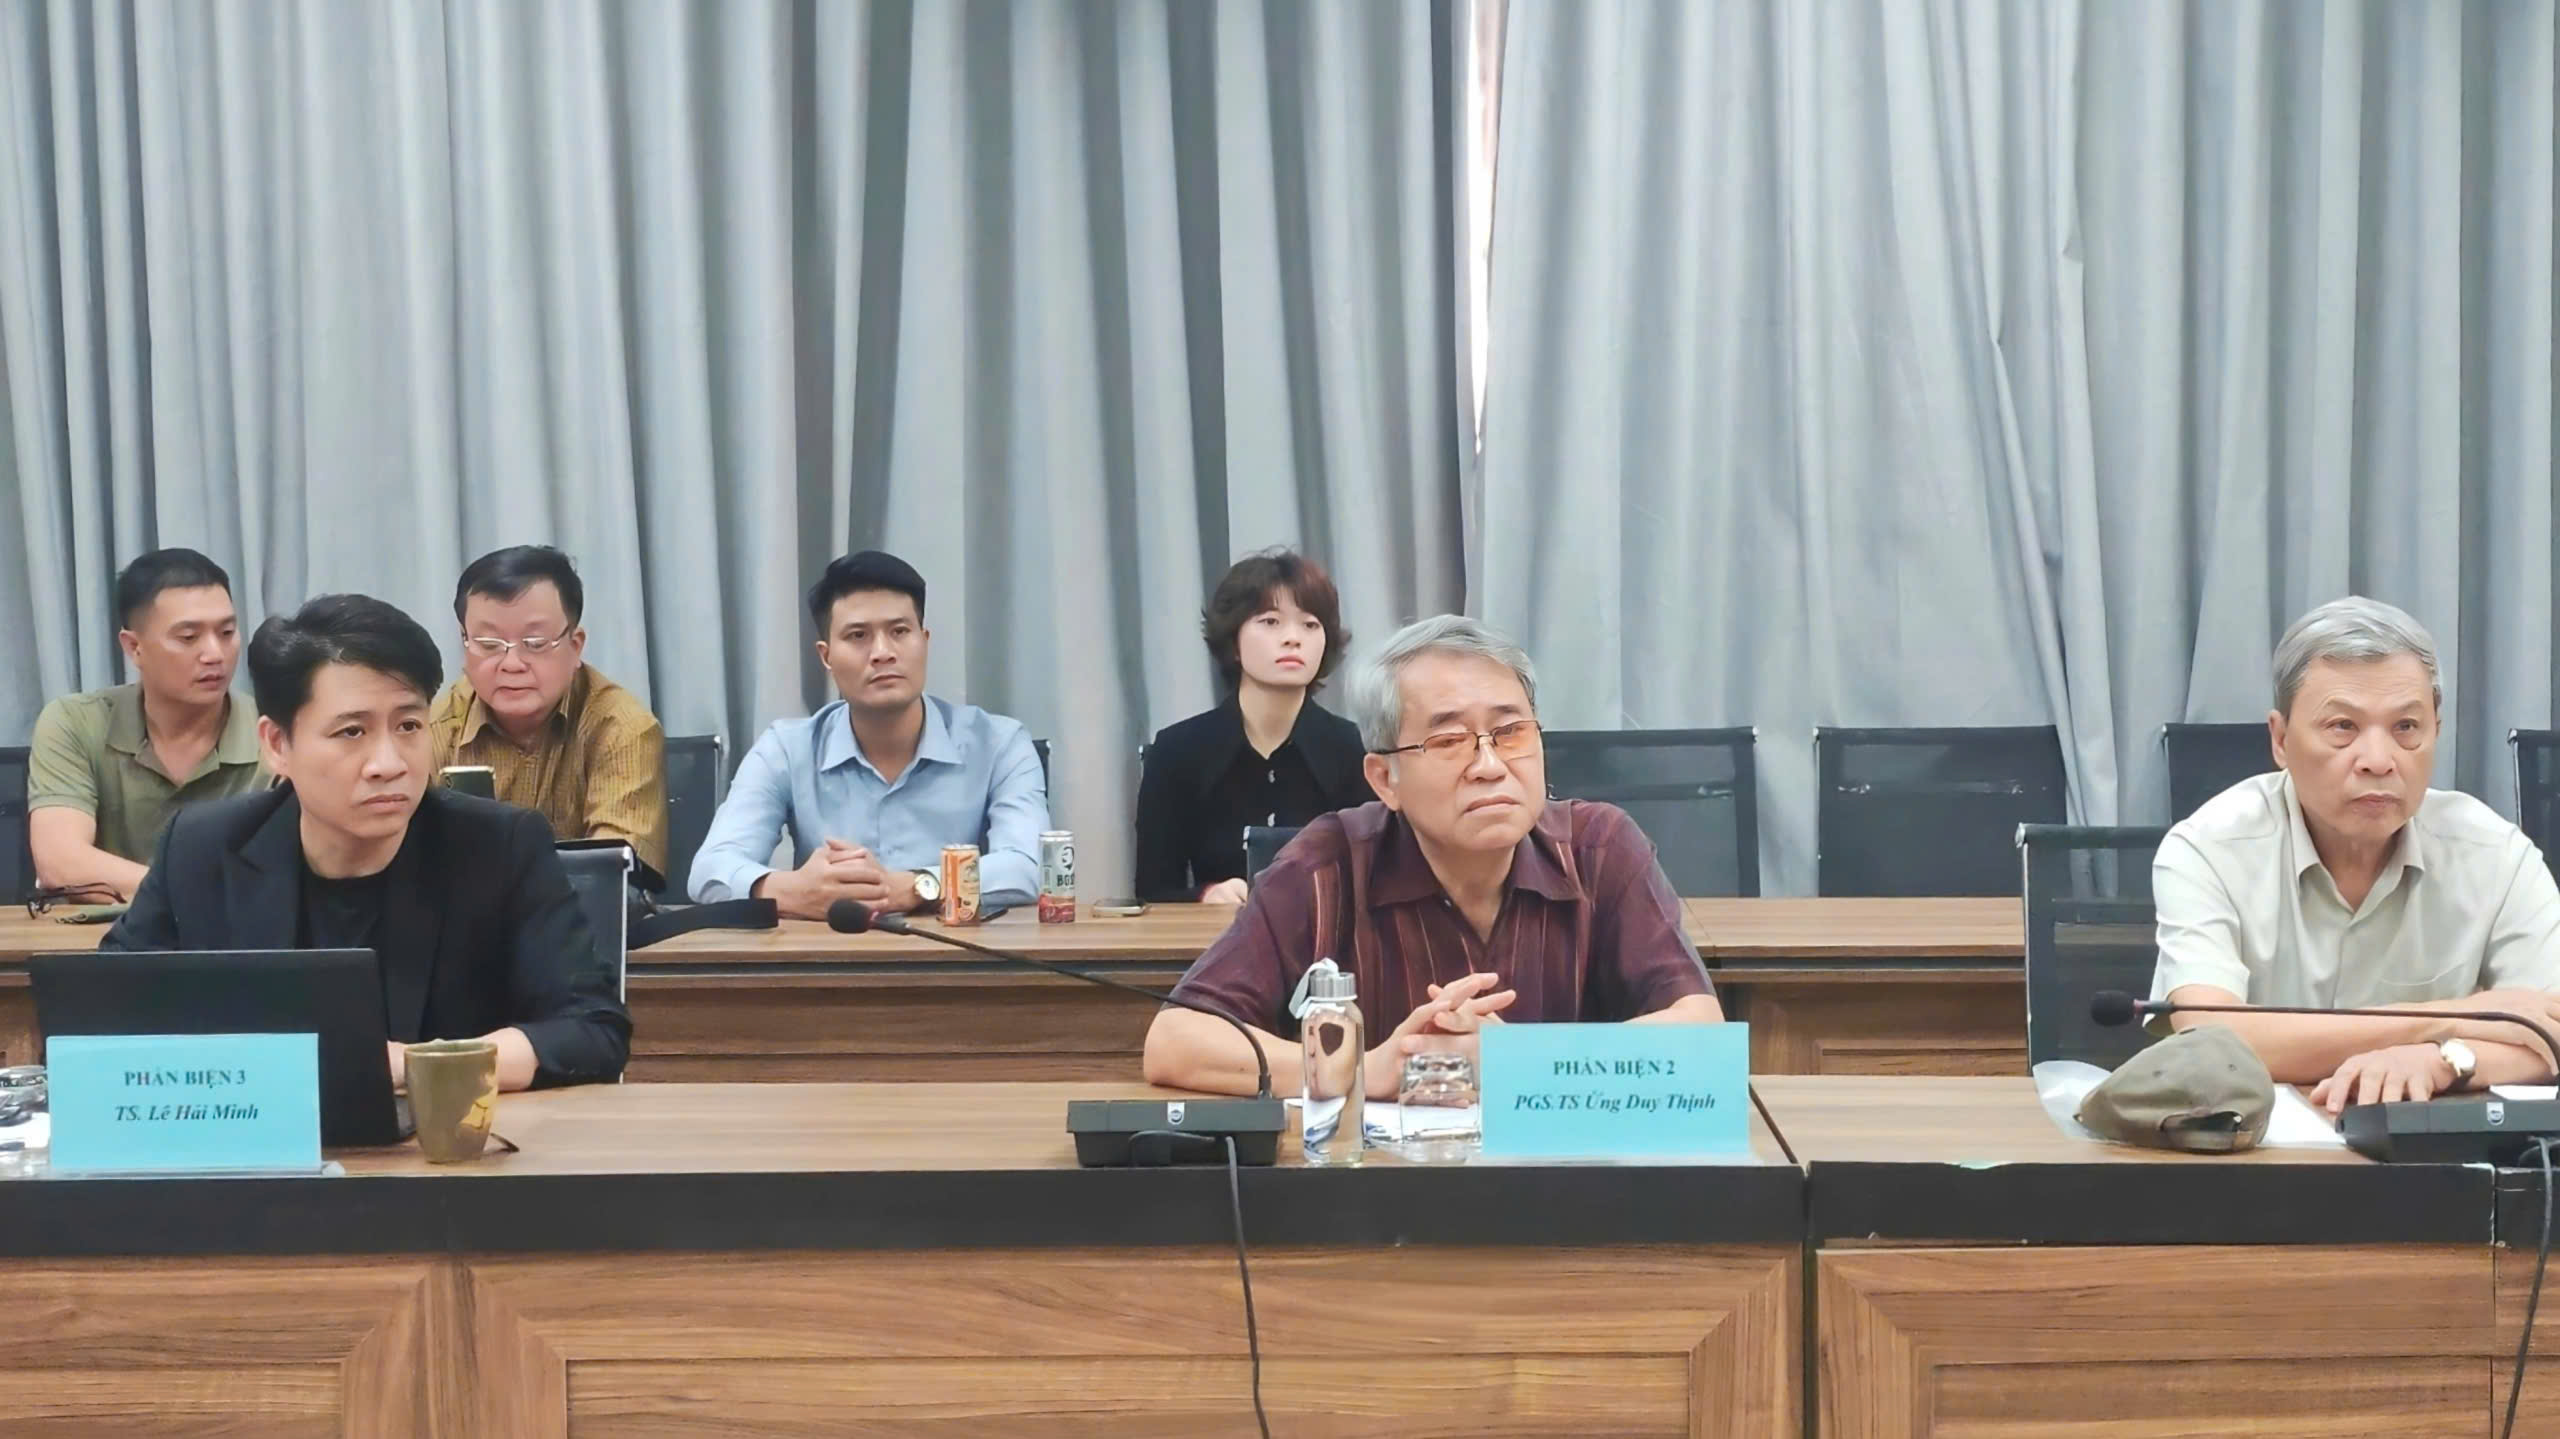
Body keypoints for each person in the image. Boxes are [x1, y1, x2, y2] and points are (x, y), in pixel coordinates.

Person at [1142, 614, 1721, 1098]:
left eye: (1511, 733)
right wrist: (1362, 1068)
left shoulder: (1599, 849)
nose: (1490, 766)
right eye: (1448, 741)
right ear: (1384, 779)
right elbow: (1176, 1042)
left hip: (1564, 1187)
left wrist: (1522, 1060)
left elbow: (1701, 1034)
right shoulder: (1326, 866)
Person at [101, 594, 630, 1091]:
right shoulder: (203, 849)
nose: (388, 763)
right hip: (254, 1140)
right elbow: (106, 1013)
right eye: (352, 732)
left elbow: (592, 1029)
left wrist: (413, 1065)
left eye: (409, 726)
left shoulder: (498, 848)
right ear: (277, 744)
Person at [2150, 596, 2560, 1115]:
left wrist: (2444, 1060)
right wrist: (2459, 1017)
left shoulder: (2496, 855)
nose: (2378, 761)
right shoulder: (2209, 849)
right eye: (2343, 727)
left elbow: (2548, 1030)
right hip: (2252, 1151)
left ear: (2437, 730)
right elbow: (2213, 1038)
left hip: (2425, 1154)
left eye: (2406, 728)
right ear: (2280, 739)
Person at [689, 550, 1048, 920]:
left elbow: (1030, 865)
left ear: (924, 640)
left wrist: (917, 886)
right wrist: (794, 892)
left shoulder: (1000, 744)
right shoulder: (786, 748)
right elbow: (710, 869)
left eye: (900, 632)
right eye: (858, 635)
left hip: (959, 952)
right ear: (826, 656)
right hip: (829, 953)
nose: (882, 653)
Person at [27, 548, 268, 900]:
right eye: (188, 637)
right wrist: (199, 896)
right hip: (106, 934)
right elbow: (60, 863)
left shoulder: (275, 731)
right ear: (134, 647)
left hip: (240, 933)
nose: (215, 654)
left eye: (227, 632)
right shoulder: (74, 722)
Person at [1134, 549, 1369, 905]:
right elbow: (1152, 892)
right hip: (1214, 935)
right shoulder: (1177, 751)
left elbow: (1375, 880)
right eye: (1271, 622)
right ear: (1234, 642)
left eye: (1310, 624)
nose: (1293, 638)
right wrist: (1205, 895)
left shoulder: (1354, 748)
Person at [428, 545, 669, 880]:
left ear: (575, 646)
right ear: (464, 643)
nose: (512, 664)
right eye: (489, 644)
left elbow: (610, 878)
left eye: (535, 643)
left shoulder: (622, 728)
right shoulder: (432, 727)